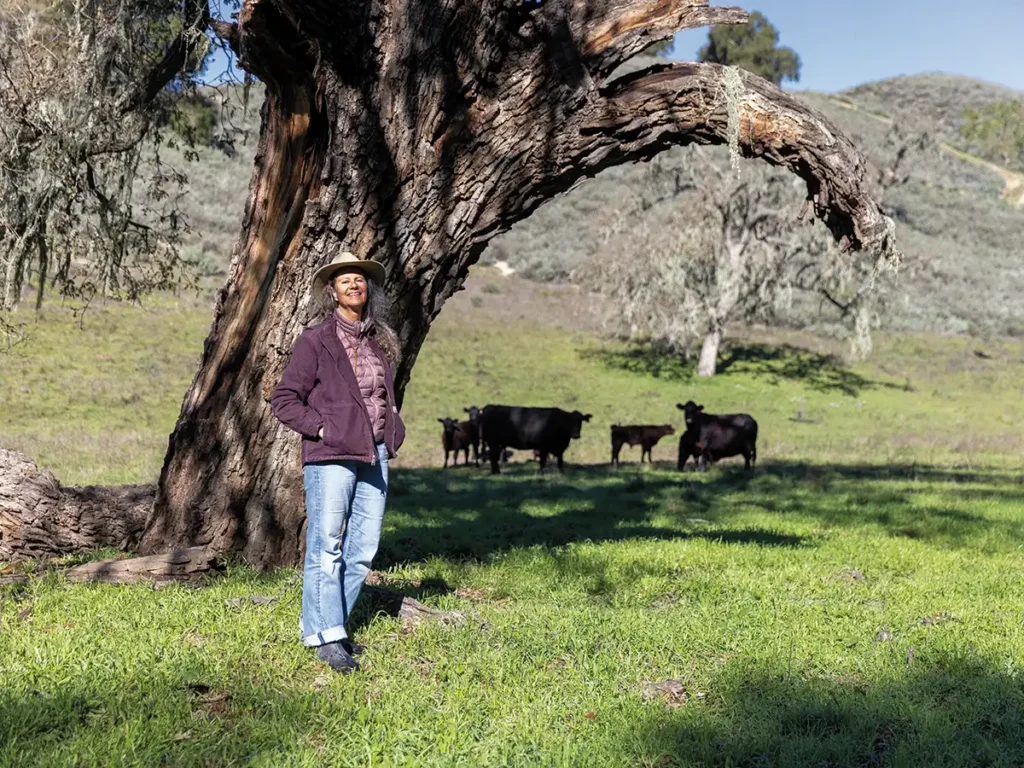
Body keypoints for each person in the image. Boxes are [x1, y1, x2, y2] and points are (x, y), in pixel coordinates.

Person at [270, 252, 405, 674]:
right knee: (326, 547)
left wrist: (394, 428)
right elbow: (284, 400)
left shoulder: (378, 340)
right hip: (331, 456)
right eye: (345, 280)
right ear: (332, 291)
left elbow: (381, 398)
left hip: (375, 453)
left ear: (368, 291)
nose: (354, 285)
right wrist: (324, 430)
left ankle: (332, 626)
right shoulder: (316, 340)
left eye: (360, 280)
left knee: (362, 550)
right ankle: (325, 635)